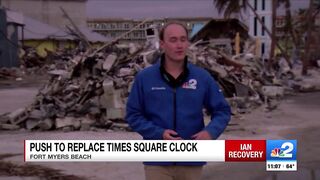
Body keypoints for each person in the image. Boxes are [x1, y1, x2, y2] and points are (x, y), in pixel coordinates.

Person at [126, 22, 231, 180]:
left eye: (183, 39)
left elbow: (222, 110)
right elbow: (133, 115)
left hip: (191, 161)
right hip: (157, 162)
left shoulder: (201, 77)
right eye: (173, 40)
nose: (179, 45)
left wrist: (210, 132)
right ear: (162, 44)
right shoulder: (145, 78)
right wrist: (158, 133)